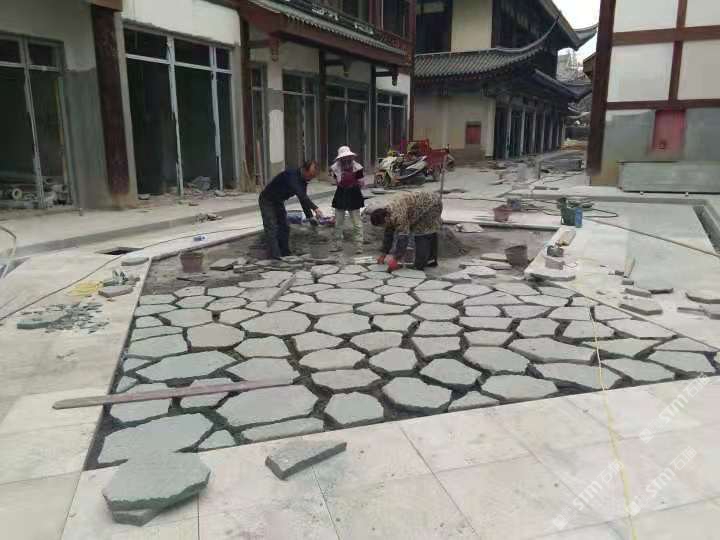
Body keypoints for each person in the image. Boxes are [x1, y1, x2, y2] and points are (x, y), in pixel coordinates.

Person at [259, 160, 324, 259]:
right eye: (311, 175)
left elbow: (303, 199)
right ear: (304, 170)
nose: (311, 178)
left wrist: (310, 217)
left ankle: (285, 253)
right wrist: (315, 208)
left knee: (285, 226)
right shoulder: (291, 175)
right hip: (267, 200)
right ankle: (275, 257)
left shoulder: (303, 180)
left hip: (278, 201)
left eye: (313, 176)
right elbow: (301, 195)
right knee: (271, 227)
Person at [370, 191, 443, 271]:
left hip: (431, 205)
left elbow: (403, 239)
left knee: (422, 233)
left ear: (386, 218)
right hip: (422, 205)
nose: (383, 227)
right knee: (429, 231)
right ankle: (430, 261)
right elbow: (388, 234)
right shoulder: (386, 214)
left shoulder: (398, 216)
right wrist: (383, 254)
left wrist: (396, 259)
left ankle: (420, 265)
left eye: (382, 225)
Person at [330, 146, 365, 253]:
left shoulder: (357, 168)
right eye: (343, 158)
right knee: (338, 222)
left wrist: (355, 185)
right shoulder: (335, 168)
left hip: (354, 193)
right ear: (340, 159)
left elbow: (361, 182)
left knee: (356, 222)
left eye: (348, 157)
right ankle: (337, 245)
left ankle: (359, 246)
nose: (346, 159)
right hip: (341, 194)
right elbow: (335, 181)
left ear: (351, 157)